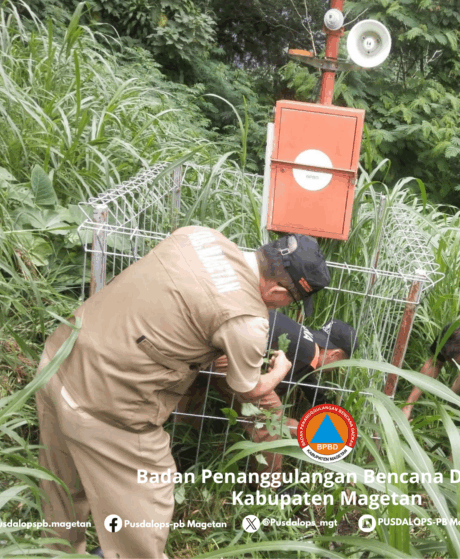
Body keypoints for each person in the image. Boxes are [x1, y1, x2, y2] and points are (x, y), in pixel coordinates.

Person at [35, 227, 329, 558]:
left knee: (62, 491)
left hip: (59, 359)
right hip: (104, 402)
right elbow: (247, 389)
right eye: (291, 300)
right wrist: (279, 371)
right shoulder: (248, 320)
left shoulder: (200, 237)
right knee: (150, 491)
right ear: (277, 290)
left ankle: (57, 551)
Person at [176, 311, 357, 481]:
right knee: (271, 415)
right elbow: (264, 400)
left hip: (207, 337)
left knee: (195, 392)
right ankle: (270, 485)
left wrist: (324, 405)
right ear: (335, 354)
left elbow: (308, 381)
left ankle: (183, 451)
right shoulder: (305, 354)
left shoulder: (303, 340)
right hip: (228, 352)